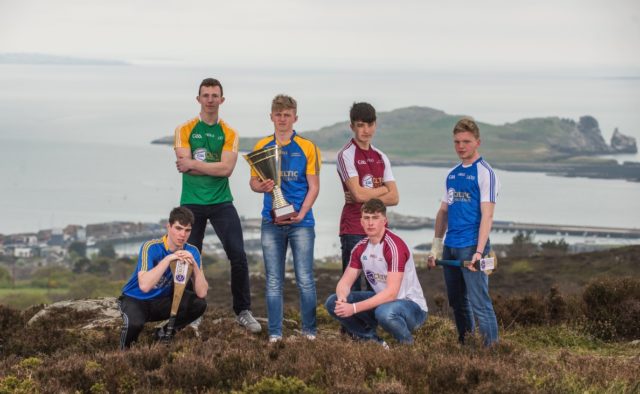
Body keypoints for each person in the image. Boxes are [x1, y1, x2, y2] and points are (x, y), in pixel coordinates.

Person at [173, 78, 260, 333]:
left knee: (238, 256)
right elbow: (183, 163)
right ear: (198, 99)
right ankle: (193, 313)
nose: (210, 99)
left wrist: (195, 165)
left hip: (222, 202)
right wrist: (213, 167)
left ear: (222, 100)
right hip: (191, 204)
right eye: (206, 95)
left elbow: (227, 169)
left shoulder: (230, 132)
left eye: (215, 95)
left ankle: (243, 311)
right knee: (189, 258)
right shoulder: (184, 129)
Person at [249, 94, 321, 342]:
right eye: (278, 114)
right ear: (271, 117)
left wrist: (302, 213)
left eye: (287, 115)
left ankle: (309, 332)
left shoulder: (308, 147)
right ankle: (276, 334)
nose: (282, 119)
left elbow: (314, 186)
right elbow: (253, 183)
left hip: (302, 222)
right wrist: (262, 186)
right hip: (271, 222)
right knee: (273, 280)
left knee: (305, 279)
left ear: (295, 117)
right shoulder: (261, 147)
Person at [427, 117, 501, 347]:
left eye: (466, 141)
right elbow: (443, 212)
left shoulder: (485, 173)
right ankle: (466, 345)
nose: (461, 146)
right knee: (457, 302)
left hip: (471, 247)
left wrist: (479, 253)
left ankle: (492, 352)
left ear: (477, 142)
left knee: (480, 302)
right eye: (457, 142)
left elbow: (487, 216)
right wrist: (436, 247)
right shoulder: (452, 174)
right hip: (450, 246)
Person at [325, 198, 428, 345]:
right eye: (366, 218)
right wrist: (342, 299)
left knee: (384, 312)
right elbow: (345, 282)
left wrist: (353, 308)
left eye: (375, 218)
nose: (370, 222)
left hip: (412, 307)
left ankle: (407, 346)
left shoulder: (394, 247)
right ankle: (373, 341)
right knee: (332, 302)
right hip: (383, 302)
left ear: (384, 221)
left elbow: (392, 293)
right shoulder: (360, 248)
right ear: (361, 221)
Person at [118, 207, 208, 349]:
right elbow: (145, 286)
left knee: (199, 304)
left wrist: (195, 266)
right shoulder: (151, 247)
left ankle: (163, 333)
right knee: (134, 325)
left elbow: (202, 293)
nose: (182, 234)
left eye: (187, 230)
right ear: (169, 226)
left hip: (163, 301)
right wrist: (168, 259)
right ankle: (123, 354)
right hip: (137, 299)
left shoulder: (192, 251)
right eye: (178, 228)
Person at [336, 102, 399, 291]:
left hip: (380, 229)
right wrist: (382, 190)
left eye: (370, 125)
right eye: (361, 125)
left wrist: (365, 195)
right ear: (352, 126)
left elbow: (395, 197)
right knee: (352, 286)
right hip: (354, 227)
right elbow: (357, 193)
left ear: (375, 125)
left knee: (378, 285)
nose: (366, 130)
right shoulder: (345, 155)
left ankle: (372, 322)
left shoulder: (381, 156)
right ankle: (350, 322)